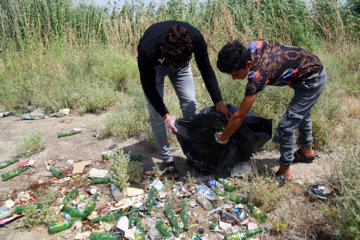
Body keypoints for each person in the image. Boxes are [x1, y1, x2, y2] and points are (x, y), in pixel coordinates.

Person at [216, 39, 327, 186]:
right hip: (305, 72)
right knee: (301, 114)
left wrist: (223, 137)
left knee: (286, 127)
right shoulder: (253, 48)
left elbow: (240, 116)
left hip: (313, 79)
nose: (234, 78)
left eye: (236, 74)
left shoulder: (258, 75)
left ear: (248, 65)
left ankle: (284, 172)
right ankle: (307, 151)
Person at [138, 21, 232, 179]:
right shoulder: (148, 49)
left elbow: (206, 70)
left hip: (180, 63)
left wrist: (219, 102)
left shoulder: (195, 38)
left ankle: (192, 154)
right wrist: (166, 116)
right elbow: (149, 88)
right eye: (176, 63)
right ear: (162, 49)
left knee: (190, 105)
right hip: (156, 68)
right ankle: (167, 160)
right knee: (156, 115)